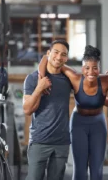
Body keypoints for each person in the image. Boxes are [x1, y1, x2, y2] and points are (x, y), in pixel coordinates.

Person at [38, 45, 108, 180]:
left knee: (96, 167)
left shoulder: (105, 80)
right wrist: (41, 77)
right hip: (78, 124)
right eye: (87, 68)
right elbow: (47, 58)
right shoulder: (75, 77)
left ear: (99, 68)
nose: (91, 72)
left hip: (98, 123)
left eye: (95, 68)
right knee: (80, 168)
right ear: (82, 68)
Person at [23, 40, 72, 180]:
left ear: (66, 58)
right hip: (39, 141)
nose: (59, 57)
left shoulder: (67, 79)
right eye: (56, 52)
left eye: (63, 54)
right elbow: (27, 109)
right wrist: (40, 87)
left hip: (61, 142)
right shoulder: (32, 79)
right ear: (48, 53)